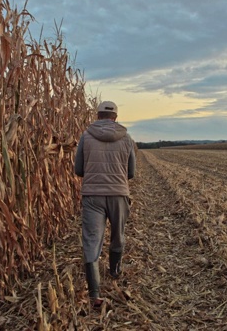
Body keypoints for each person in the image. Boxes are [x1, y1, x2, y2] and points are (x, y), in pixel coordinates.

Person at [74, 100, 136, 308]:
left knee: (92, 241)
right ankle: (115, 272)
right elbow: (131, 173)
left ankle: (94, 294)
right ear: (115, 118)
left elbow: (79, 169)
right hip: (119, 194)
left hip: (92, 195)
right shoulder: (126, 138)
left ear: (97, 115)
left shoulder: (86, 135)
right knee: (118, 235)